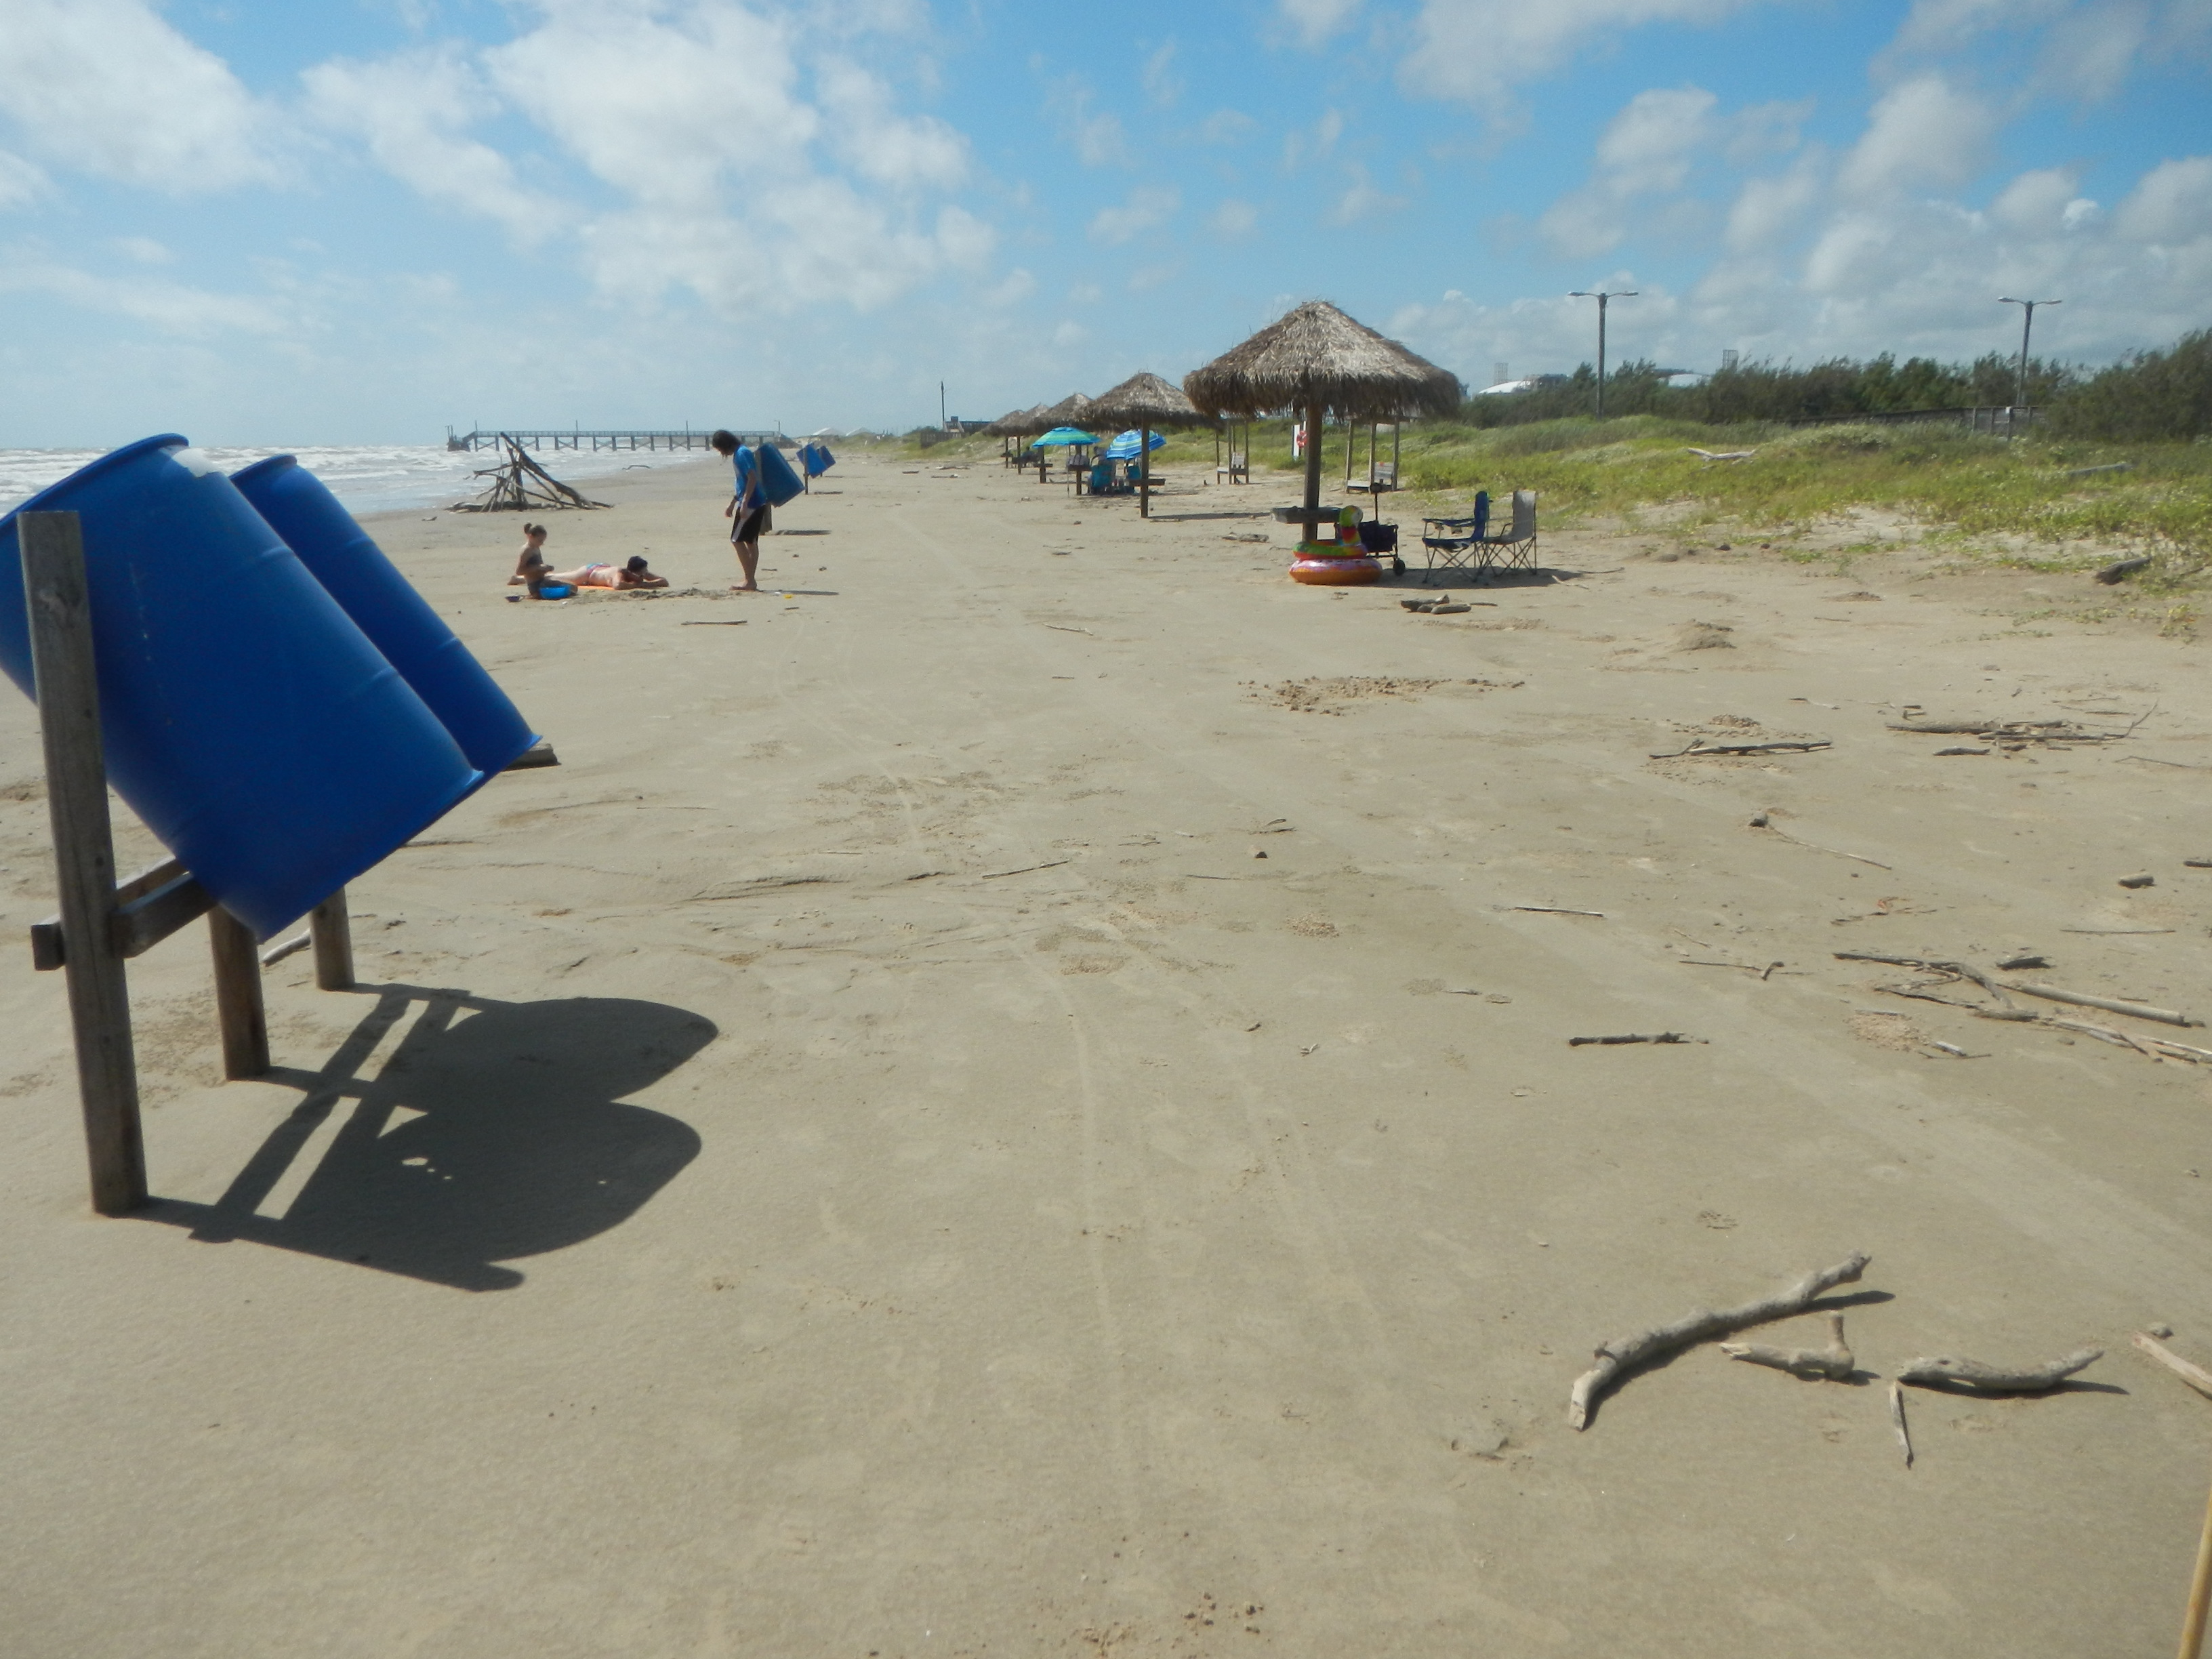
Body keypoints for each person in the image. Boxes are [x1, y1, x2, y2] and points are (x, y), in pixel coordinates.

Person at [710, 428, 767, 592]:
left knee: (737, 540)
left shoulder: (741, 454)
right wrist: (733, 502)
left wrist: (744, 504)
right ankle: (750, 580)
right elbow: (744, 482)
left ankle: (750, 580)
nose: (721, 452)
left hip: (752, 503)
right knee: (750, 542)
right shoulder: (742, 452)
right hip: (756, 501)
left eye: (719, 448)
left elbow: (752, 478)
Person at [543, 555, 667, 590]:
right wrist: (641, 585)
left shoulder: (641, 572)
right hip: (589, 573)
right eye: (640, 574)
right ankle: (525, 577)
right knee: (554, 577)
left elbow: (664, 581)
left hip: (602, 568)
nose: (642, 576)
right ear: (631, 572)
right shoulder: (620, 572)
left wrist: (648, 582)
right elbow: (618, 586)